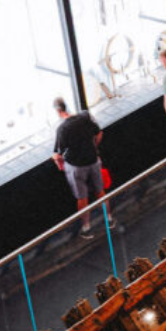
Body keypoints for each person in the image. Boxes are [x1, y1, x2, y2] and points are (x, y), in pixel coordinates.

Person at [52, 97, 105, 235]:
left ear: (58, 111)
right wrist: (94, 148)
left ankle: (86, 227)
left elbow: (58, 154)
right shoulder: (83, 118)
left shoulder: (62, 128)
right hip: (93, 161)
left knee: (82, 197)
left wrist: (58, 163)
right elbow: (99, 133)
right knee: (100, 191)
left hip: (77, 166)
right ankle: (108, 218)